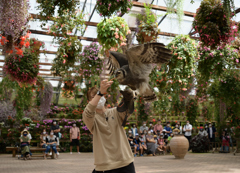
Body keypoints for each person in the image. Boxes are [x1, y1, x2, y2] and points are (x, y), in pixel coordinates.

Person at [83, 80, 136, 173]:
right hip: (105, 166)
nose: (99, 98)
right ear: (89, 101)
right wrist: (100, 92)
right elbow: (88, 112)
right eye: (94, 96)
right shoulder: (91, 118)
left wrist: (129, 98)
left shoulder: (115, 112)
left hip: (125, 163)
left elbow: (127, 111)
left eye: (101, 95)